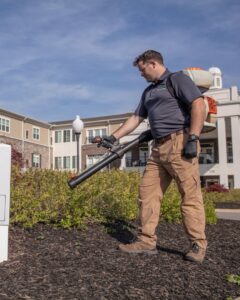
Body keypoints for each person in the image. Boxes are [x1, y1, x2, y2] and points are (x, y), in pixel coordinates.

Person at [99, 50, 207, 263]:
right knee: (147, 194)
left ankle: (198, 244)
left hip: (180, 142)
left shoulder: (177, 79)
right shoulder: (148, 92)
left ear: (153, 63)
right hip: (157, 148)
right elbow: (136, 118)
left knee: (190, 196)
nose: (141, 74)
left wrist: (193, 137)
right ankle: (146, 241)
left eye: (142, 69)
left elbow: (198, 104)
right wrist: (113, 137)